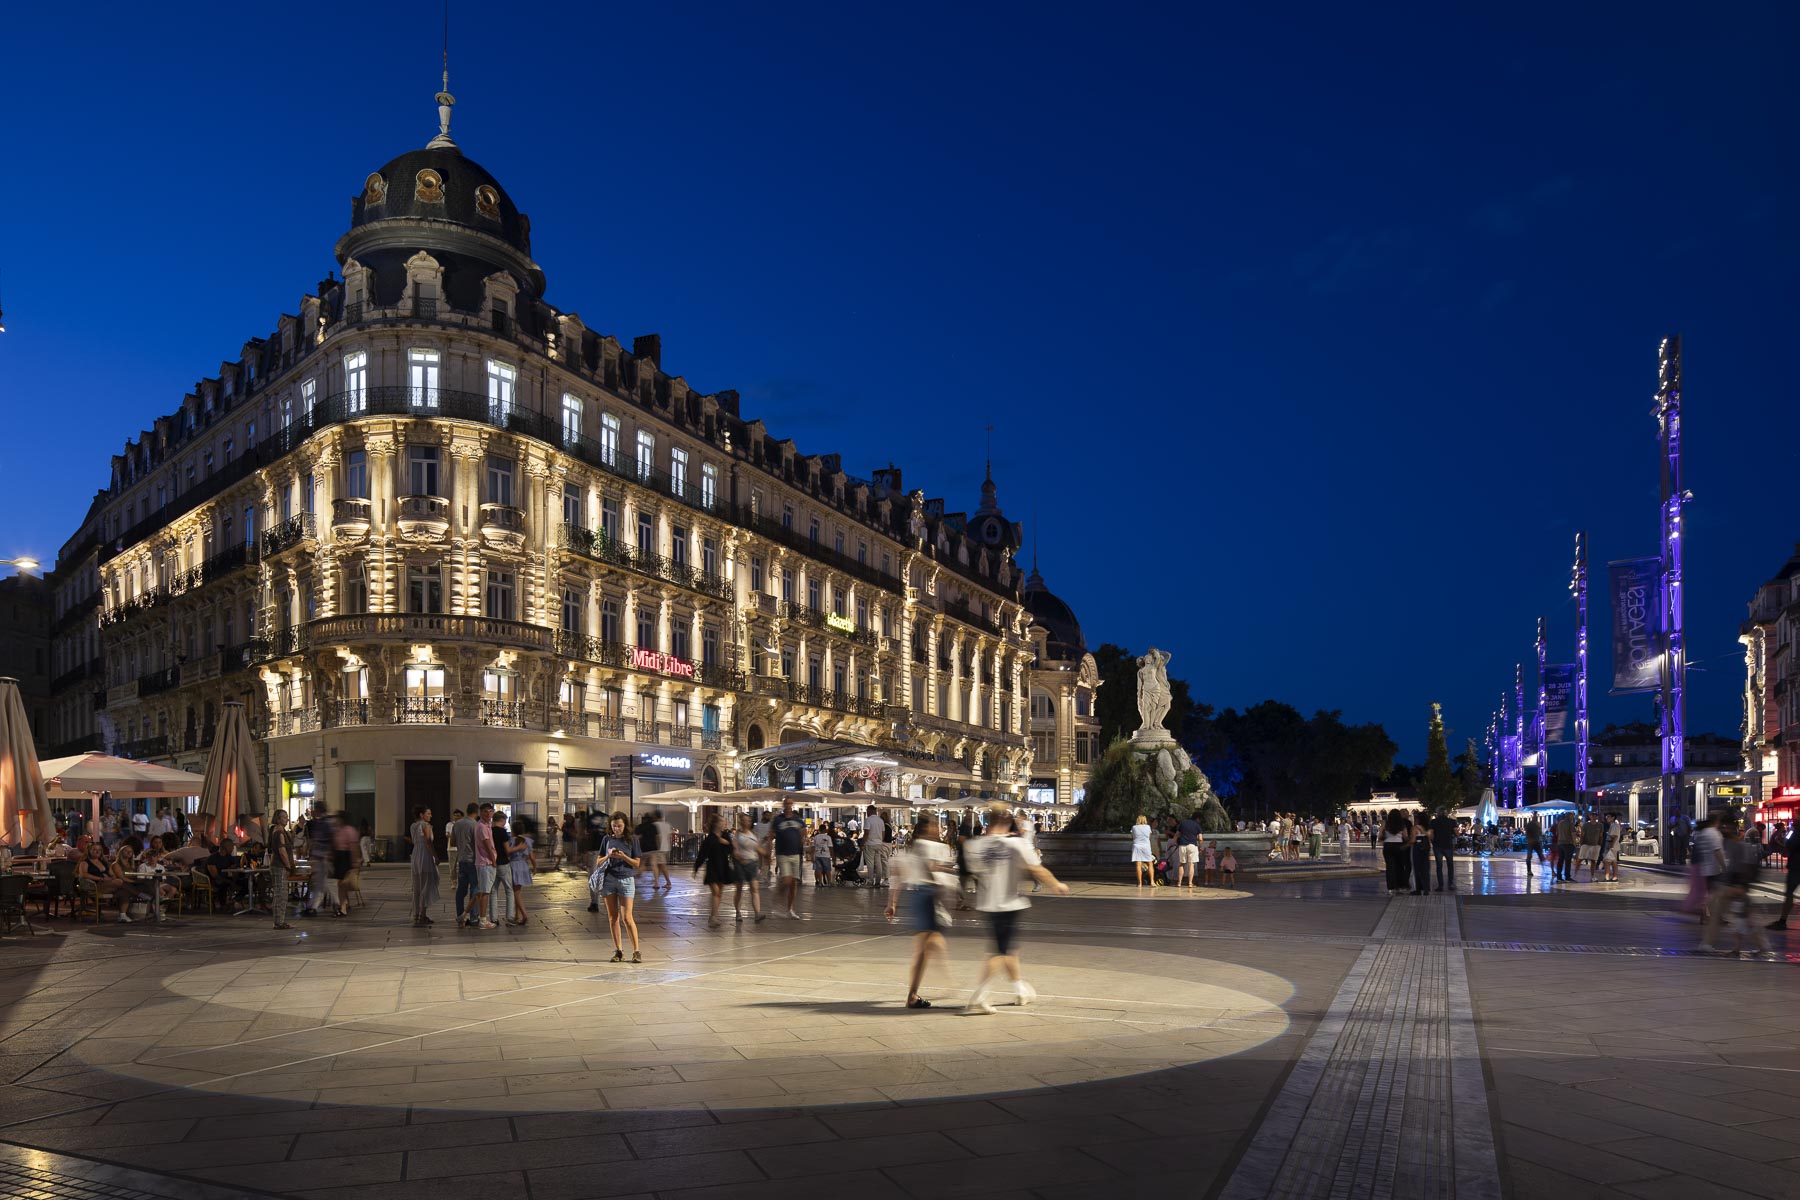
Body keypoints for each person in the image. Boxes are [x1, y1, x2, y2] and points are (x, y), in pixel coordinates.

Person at [962, 804, 1070, 1014]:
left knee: (1009, 949)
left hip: (987, 904)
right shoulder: (1017, 844)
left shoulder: (975, 846)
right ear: (1007, 820)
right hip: (1008, 903)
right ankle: (979, 997)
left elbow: (975, 871)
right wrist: (1056, 884)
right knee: (999, 952)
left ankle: (1020, 990)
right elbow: (1036, 868)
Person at [884, 814, 955, 1008]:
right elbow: (931, 869)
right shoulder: (930, 847)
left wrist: (892, 903)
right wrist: (943, 890)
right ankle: (913, 995)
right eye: (935, 825)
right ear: (928, 828)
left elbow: (899, 876)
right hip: (927, 895)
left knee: (932, 941)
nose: (937, 829)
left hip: (919, 895)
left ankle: (942, 981)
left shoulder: (914, 848)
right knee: (924, 947)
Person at [592, 812, 641, 961]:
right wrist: (609, 856)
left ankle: (636, 951)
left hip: (626, 880)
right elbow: (598, 861)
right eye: (614, 826)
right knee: (613, 917)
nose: (616, 829)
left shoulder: (632, 840)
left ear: (625, 825)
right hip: (609, 880)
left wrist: (623, 856)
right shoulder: (606, 839)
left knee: (627, 918)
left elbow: (637, 863)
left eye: (619, 826)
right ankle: (618, 951)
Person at [766, 797, 807, 918]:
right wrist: (769, 853)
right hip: (782, 853)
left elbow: (803, 833)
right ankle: (777, 897)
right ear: (783, 805)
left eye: (790, 803)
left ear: (792, 805)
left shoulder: (798, 820)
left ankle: (790, 909)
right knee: (787, 880)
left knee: (793, 883)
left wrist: (802, 842)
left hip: (795, 854)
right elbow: (770, 836)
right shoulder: (778, 819)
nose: (788, 806)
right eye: (786, 804)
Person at [693, 813, 736, 928]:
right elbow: (703, 854)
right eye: (721, 821)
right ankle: (713, 917)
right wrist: (696, 867)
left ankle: (714, 915)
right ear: (716, 823)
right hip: (712, 867)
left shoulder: (725, 835)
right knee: (716, 892)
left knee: (719, 893)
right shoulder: (710, 838)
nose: (723, 823)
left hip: (723, 866)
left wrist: (726, 843)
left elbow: (731, 849)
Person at [732, 813, 768, 922]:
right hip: (740, 864)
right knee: (739, 889)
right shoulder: (737, 834)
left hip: (752, 863)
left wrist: (765, 854)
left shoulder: (754, 834)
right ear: (741, 822)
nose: (748, 822)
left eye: (749, 820)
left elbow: (757, 848)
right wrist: (737, 855)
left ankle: (757, 913)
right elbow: (735, 848)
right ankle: (738, 912)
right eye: (745, 820)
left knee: (754, 888)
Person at [408, 805, 439, 927]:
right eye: (428, 813)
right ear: (421, 815)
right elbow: (428, 841)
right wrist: (435, 856)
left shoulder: (413, 826)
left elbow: (415, 840)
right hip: (425, 855)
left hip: (416, 854)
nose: (430, 816)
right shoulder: (426, 825)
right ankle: (422, 914)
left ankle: (416, 914)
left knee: (417, 886)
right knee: (426, 885)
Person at [1767, 821, 1800, 931]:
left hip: (1796, 866)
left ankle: (1782, 921)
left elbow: (1789, 845)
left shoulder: (1796, 832)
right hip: (1796, 865)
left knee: (1789, 893)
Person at [451, 807, 480, 924]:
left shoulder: (457, 824)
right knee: (474, 888)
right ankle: (474, 917)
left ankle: (460, 915)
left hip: (461, 860)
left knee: (461, 890)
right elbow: (477, 844)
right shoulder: (475, 825)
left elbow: (452, 842)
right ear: (476, 812)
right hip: (473, 860)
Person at [470, 805, 497, 929]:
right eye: (485, 812)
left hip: (485, 862)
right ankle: (483, 920)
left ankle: (465, 915)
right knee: (485, 892)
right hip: (485, 862)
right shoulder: (482, 826)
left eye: (490, 811)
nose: (488, 814)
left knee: (482, 891)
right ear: (480, 813)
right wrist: (493, 860)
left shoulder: (487, 825)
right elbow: (487, 845)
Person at [269, 810, 297, 930]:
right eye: (284, 817)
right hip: (279, 866)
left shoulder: (280, 831)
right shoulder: (279, 832)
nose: (287, 819)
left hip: (279, 866)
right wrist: (288, 866)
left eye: (287, 817)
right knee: (280, 894)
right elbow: (282, 851)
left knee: (281, 894)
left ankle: (280, 921)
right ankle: (279, 922)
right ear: (278, 819)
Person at [487, 811, 514, 925]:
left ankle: (494, 918)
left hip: (492, 863)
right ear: (502, 820)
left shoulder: (489, 831)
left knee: (493, 891)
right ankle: (510, 916)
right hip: (503, 863)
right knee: (509, 890)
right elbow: (507, 849)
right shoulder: (503, 832)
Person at [506, 821, 534, 925]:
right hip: (523, 865)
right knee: (517, 891)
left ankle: (524, 914)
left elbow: (507, 853)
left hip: (514, 865)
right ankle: (517, 916)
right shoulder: (527, 841)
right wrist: (535, 867)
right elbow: (532, 857)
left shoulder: (511, 841)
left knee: (516, 893)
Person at [1381, 809, 1412, 895]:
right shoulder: (1402, 824)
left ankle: (1391, 888)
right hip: (1398, 846)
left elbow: (1380, 836)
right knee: (1399, 867)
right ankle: (1399, 886)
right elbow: (1405, 837)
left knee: (1389, 867)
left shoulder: (1385, 823)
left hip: (1388, 846)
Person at [1174, 809, 1203, 888]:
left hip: (1182, 845)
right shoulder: (1197, 825)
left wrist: (1174, 842)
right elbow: (1200, 838)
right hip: (1192, 846)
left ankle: (1179, 883)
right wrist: (1200, 846)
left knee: (1181, 864)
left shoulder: (1183, 823)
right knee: (1191, 865)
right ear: (1197, 818)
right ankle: (1190, 883)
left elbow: (1177, 834)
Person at [1430, 808, 1457, 892]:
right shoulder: (1452, 821)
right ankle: (1450, 884)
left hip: (1437, 846)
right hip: (1448, 845)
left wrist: (1433, 842)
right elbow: (1457, 833)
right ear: (1446, 813)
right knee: (1450, 864)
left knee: (1439, 866)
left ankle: (1440, 885)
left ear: (1437, 813)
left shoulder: (1433, 822)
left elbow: (1431, 834)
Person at [648, 810, 674, 890]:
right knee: (659, 865)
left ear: (655, 817)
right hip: (666, 848)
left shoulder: (654, 825)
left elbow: (656, 837)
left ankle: (665, 882)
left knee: (660, 865)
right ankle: (657, 881)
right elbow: (670, 837)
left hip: (658, 848)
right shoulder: (667, 824)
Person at [1130, 814, 1156, 886]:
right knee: (1150, 864)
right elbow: (1149, 837)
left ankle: (1139, 883)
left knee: (1138, 865)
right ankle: (1152, 882)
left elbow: (1133, 837)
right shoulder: (1148, 827)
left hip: (1137, 846)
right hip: (1146, 846)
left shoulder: (1134, 827)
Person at [1552, 811, 1578, 883]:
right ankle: (1567, 877)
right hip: (1568, 844)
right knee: (1568, 861)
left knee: (1560, 860)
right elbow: (1573, 834)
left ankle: (1559, 877)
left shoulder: (1560, 823)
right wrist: (1575, 844)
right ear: (1570, 816)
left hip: (1560, 844)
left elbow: (1557, 833)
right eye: (1572, 816)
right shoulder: (1570, 824)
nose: (1573, 817)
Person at [1578, 814, 1604, 882]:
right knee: (1580, 859)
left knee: (1593, 861)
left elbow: (1601, 835)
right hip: (1586, 844)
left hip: (1595, 845)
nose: (1594, 817)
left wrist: (1600, 844)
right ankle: (1575, 874)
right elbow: (1582, 834)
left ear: (1597, 817)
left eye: (1595, 815)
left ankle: (1593, 876)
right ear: (1590, 817)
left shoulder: (1600, 825)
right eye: (1592, 815)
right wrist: (1581, 843)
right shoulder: (1586, 825)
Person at [1410, 817, 1432, 895]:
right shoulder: (1429, 828)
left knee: (1417, 869)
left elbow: (1413, 840)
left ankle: (1418, 889)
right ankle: (1426, 889)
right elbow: (1431, 837)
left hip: (1417, 848)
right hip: (1426, 848)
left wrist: (1406, 845)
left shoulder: (1415, 827)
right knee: (1425, 869)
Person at [812, 822, 835, 888]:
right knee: (827, 869)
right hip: (826, 855)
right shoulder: (828, 837)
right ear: (825, 830)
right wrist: (832, 856)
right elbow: (830, 847)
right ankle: (829, 882)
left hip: (818, 855)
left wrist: (812, 855)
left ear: (819, 830)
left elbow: (813, 847)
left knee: (819, 869)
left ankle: (820, 882)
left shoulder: (816, 837)